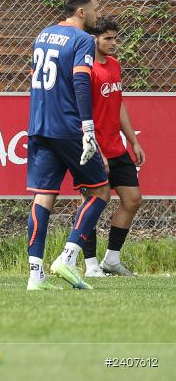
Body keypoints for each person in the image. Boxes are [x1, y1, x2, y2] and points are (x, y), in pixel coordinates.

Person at [24, 0, 110, 291]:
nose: (98, 14)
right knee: (99, 192)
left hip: (39, 124)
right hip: (68, 126)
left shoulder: (43, 34)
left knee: (43, 196)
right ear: (82, 12)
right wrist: (88, 129)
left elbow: (36, 76)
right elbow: (80, 80)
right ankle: (68, 258)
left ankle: (36, 276)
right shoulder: (83, 39)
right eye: (96, 9)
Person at [83, 17, 146, 277]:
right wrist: (95, 149)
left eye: (115, 37)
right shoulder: (86, 71)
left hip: (117, 149)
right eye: (108, 38)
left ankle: (112, 259)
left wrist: (133, 141)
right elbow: (81, 113)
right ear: (94, 39)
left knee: (132, 200)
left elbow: (118, 104)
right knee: (93, 204)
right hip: (95, 150)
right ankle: (90, 266)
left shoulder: (114, 65)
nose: (113, 43)